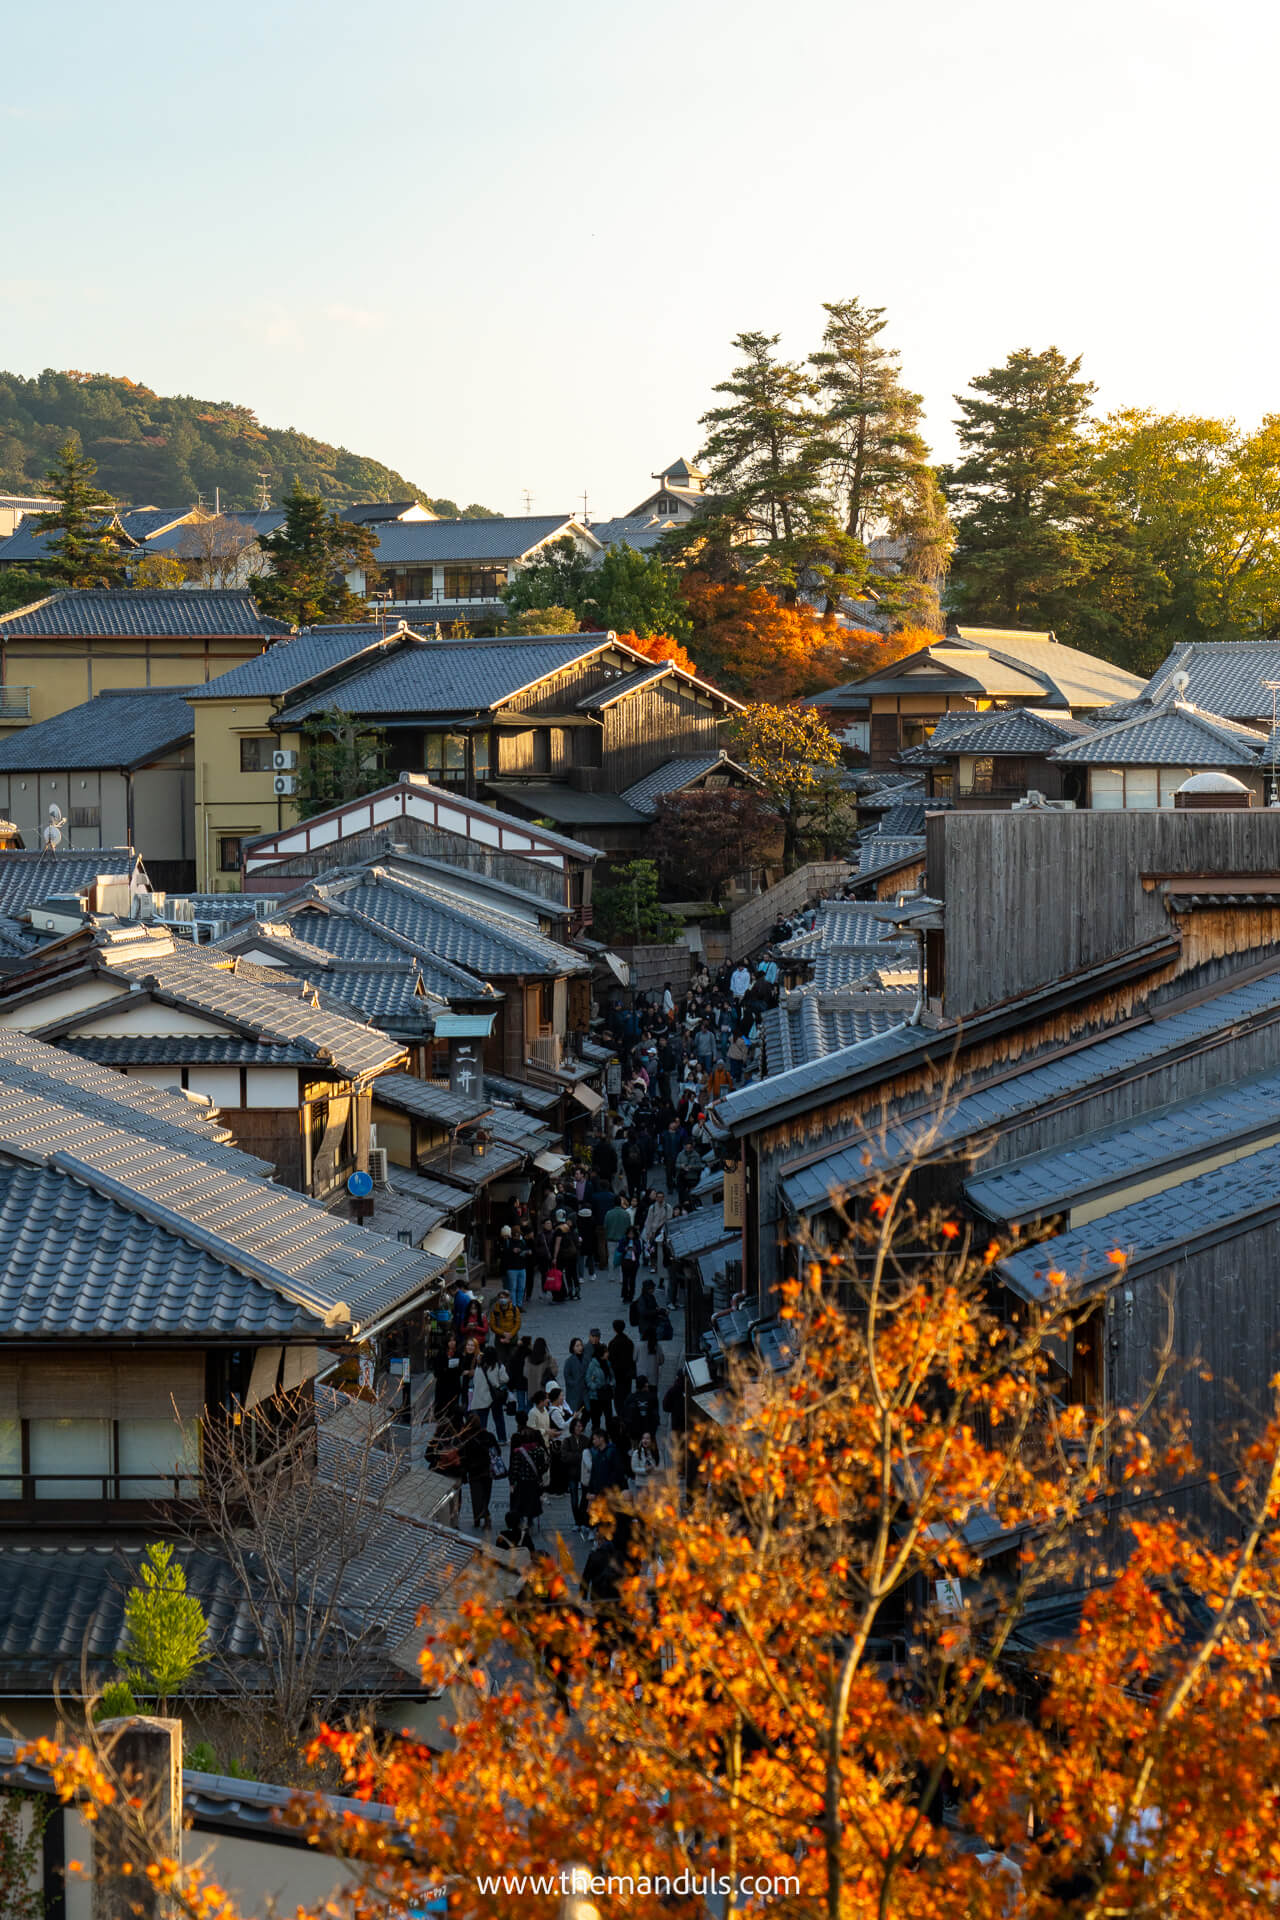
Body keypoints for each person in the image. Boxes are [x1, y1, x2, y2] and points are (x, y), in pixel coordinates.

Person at [460, 1415, 494, 1530]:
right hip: (487, 1470)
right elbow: (497, 1451)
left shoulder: (466, 1439)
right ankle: (482, 1517)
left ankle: (481, 1518)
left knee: (476, 1496)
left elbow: (464, 1458)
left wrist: (464, 1474)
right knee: (485, 1495)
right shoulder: (488, 1436)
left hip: (474, 1472)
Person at [608, 1319, 636, 1403]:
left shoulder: (613, 1343)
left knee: (618, 1396)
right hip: (627, 1373)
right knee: (627, 1393)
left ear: (614, 1329)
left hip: (617, 1374)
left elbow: (610, 1359)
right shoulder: (629, 1342)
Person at [603, 1192, 631, 1271]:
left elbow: (605, 1226)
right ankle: (621, 1277)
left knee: (611, 1257)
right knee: (622, 1257)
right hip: (622, 1239)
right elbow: (628, 1227)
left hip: (611, 1238)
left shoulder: (609, 1213)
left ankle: (611, 1276)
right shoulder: (626, 1214)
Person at [488, 1288, 521, 1355]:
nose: (503, 1299)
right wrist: (503, 1333)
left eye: (505, 1297)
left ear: (509, 1299)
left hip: (512, 1338)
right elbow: (492, 1325)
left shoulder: (514, 1309)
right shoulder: (495, 1310)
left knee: (513, 1357)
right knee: (501, 1358)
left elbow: (518, 1324)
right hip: (499, 1338)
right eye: (501, 1297)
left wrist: (510, 1334)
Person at [618, 1224, 643, 1304]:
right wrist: (625, 1249)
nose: (631, 1235)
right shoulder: (624, 1240)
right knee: (625, 1280)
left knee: (632, 1280)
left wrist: (635, 1250)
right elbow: (619, 1249)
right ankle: (625, 1295)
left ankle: (631, 1296)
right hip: (625, 1261)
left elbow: (639, 1251)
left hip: (634, 1262)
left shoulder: (637, 1241)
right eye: (629, 1234)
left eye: (632, 1234)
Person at [562, 1336, 588, 1414]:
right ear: (573, 1348)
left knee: (587, 1413)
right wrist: (575, 1383)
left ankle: (581, 1425)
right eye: (577, 1346)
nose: (580, 1347)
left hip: (585, 1392)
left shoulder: (585, 1360)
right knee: (573, 1414)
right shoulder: (569, 1361)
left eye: (581, 1345)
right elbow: (567, 1376)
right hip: (574, 1393)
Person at [507, 1335, 531, 1415]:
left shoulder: (515, 1354)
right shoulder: (531, 1354)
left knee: (520, 1405)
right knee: (529, 1405)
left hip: (519, 1382)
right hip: (529, 1383)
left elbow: (511, 1369)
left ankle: (521, 1422)